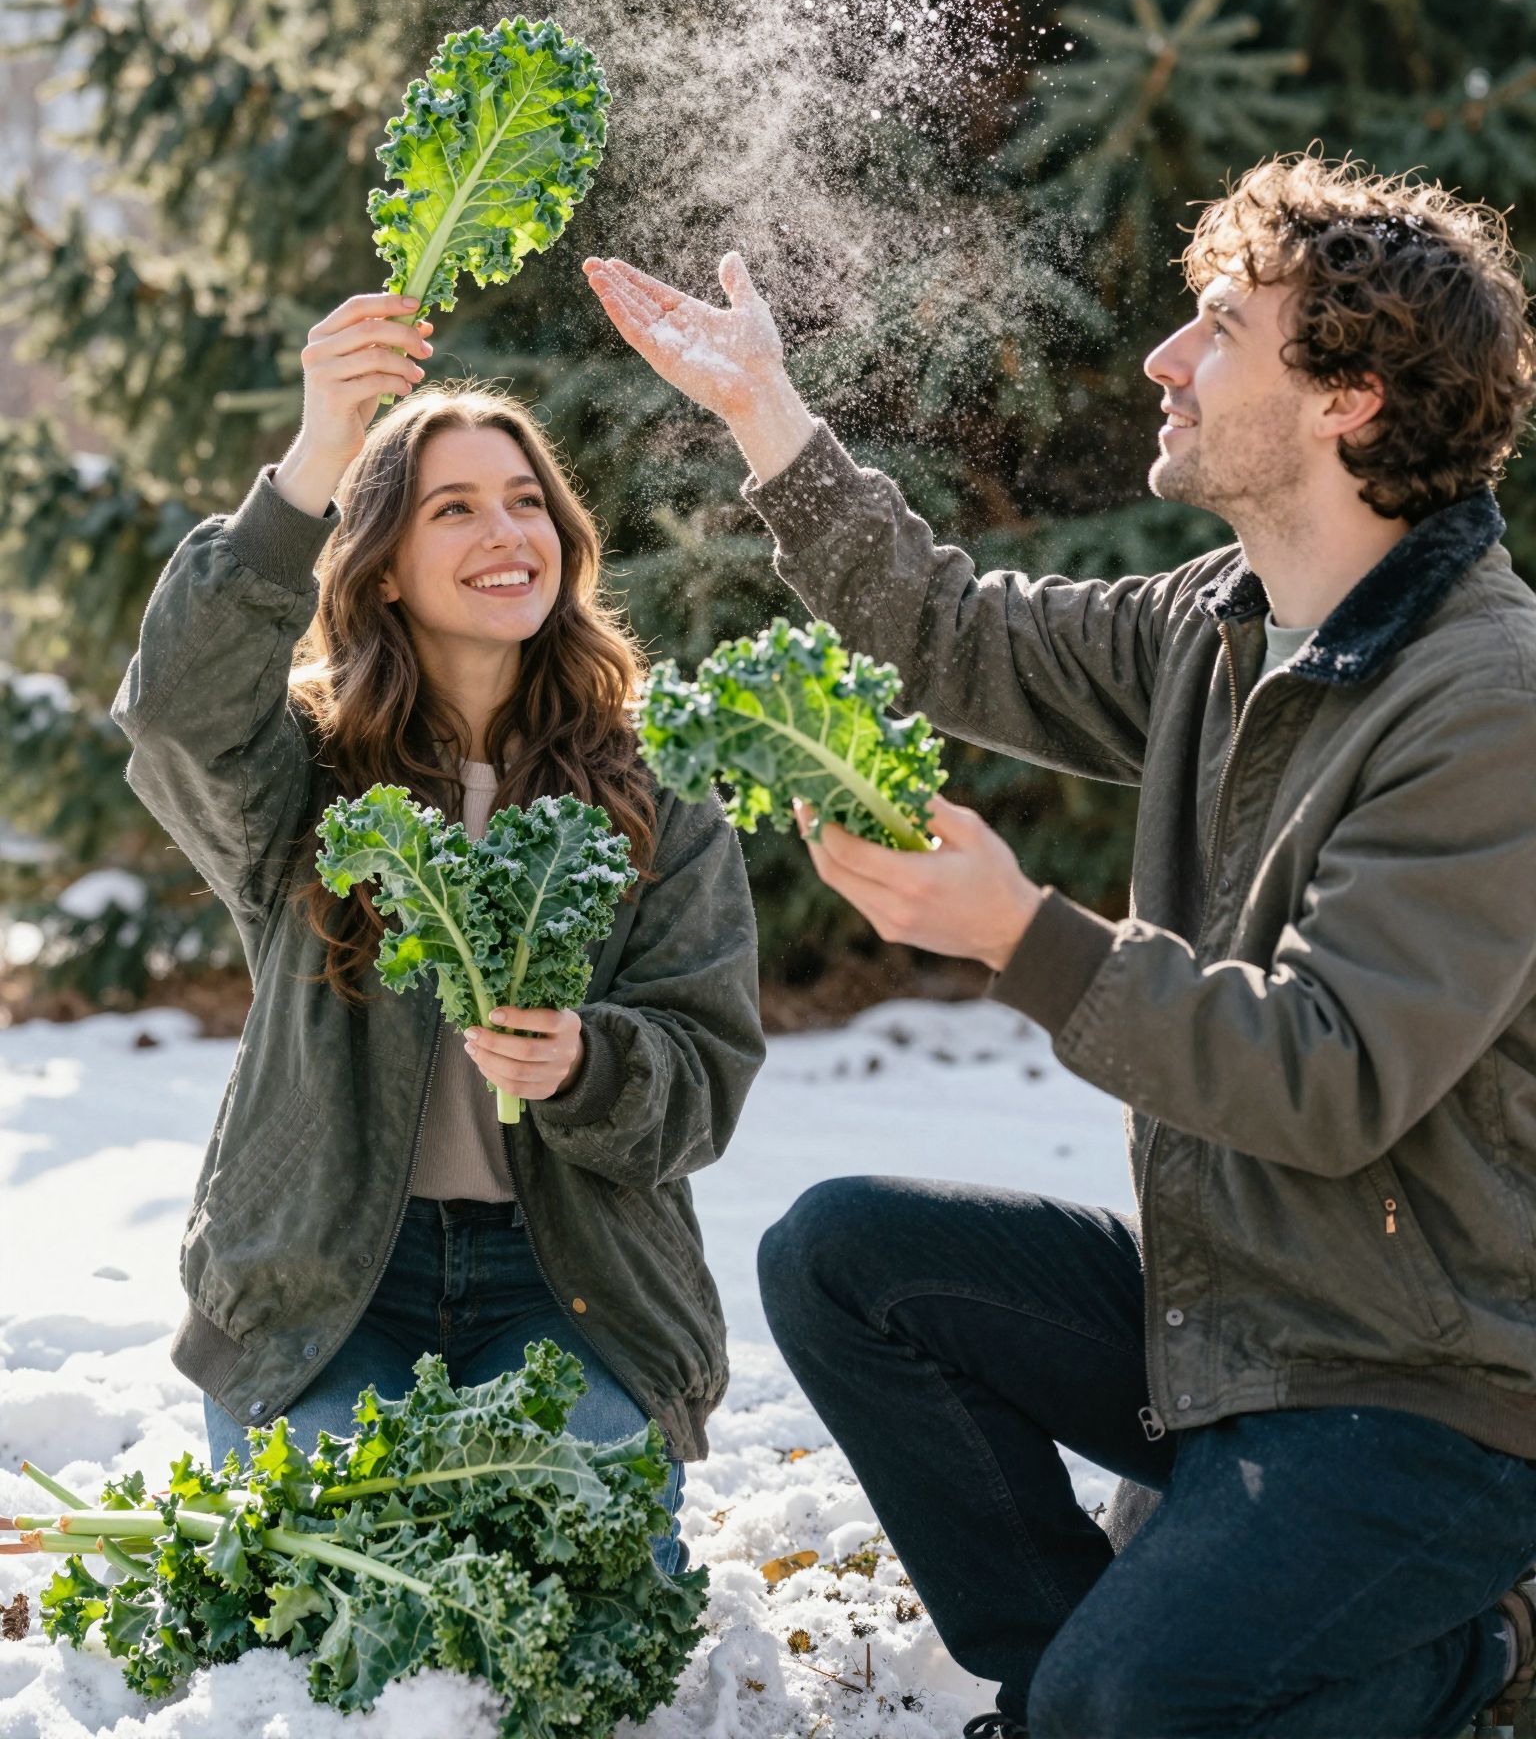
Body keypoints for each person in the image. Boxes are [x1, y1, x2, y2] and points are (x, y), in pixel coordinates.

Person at [584, 151, 1536, 1731]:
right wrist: (768, 417)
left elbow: (1332, 1075)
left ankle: (1481, 1653)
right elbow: (959, 633)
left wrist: (1024, 935)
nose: (1168, 359)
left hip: (1426, 1388)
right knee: (842, 1256)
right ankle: (1082, 1692)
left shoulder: (1487, 703)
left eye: (1219, 328)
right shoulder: (1221, 623)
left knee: (1141, 1703)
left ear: (1348, 396)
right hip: (1227, 1329)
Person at [111, 291, 766, 1574]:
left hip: (573, 1283)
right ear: (382, 562)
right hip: (326, 1281)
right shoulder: (298, 774)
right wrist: (314, 455)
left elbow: (703, 1076)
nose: (506, 529)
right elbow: (173, 712)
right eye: (452, 505)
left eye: (526, 500)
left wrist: (587, 1065)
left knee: (575, 1605)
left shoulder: (657, 784)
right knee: (340, 1602)